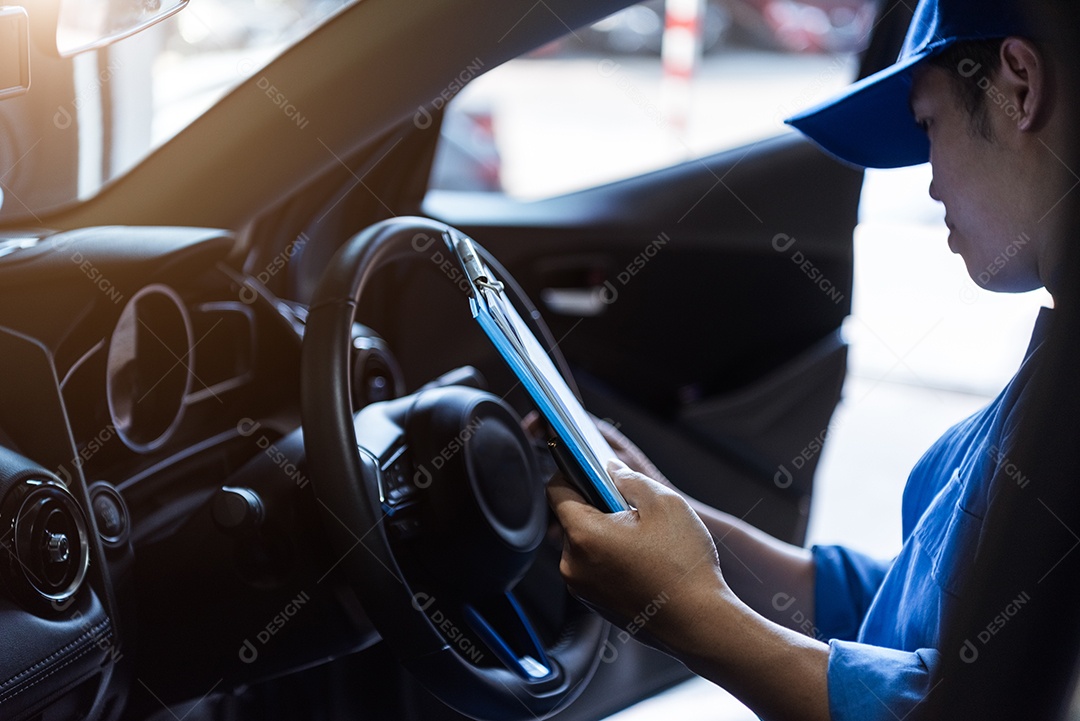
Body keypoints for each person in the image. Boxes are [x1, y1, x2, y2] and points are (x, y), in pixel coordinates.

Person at [547, 0, 1070, 718]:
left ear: (1019, 86)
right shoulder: (1051, 375)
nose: (930, 182)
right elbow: (912, 609)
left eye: (928, 124)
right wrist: (678, 522)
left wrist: (687, 612)